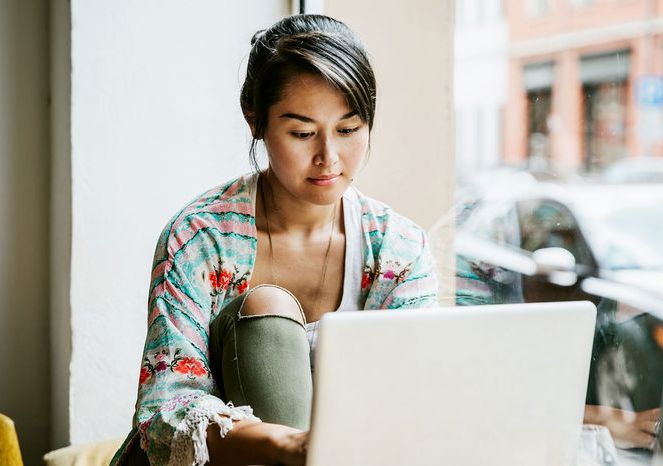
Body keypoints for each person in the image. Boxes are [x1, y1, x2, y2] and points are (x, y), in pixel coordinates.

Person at [110, 14, 439, 466]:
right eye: (302, 132)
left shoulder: (399, 249)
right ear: (255, 121)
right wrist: (286, 445)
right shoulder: (199, 238)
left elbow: (411, 394)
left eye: (348, 129)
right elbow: (165, 411)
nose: (329, 157)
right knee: (268, 308)